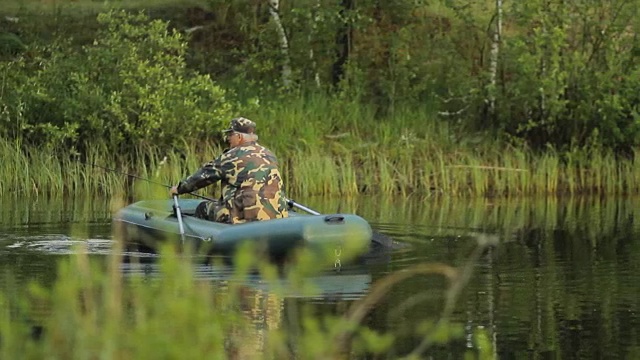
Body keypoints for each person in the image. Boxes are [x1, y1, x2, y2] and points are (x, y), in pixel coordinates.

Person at [170, 117, 289, 224]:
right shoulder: (269, 154)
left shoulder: (231, 156)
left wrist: (179, 188)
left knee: (203, 208)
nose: (228, 138)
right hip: (276, 217)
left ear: (239, 136)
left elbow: (204, 176)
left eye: (230, 134)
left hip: (244, 218)